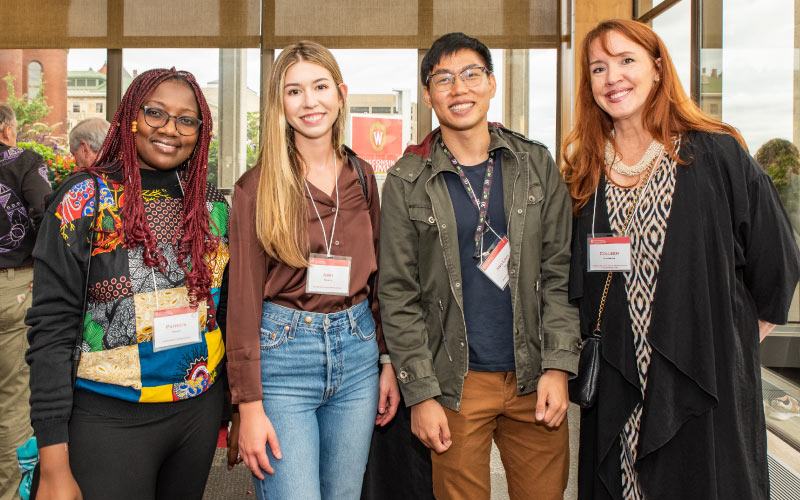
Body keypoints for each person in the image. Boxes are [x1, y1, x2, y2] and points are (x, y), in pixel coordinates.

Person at [561, 19, 800, 500]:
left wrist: (730, 341)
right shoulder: (585, 170)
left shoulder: (715, 152)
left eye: (626, 61)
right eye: (599, 68)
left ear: (656, 67)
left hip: (701, 377)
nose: (613, 78)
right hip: (619, 374)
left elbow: (776, 258)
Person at [378, 32, 579, 500]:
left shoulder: (535, 163)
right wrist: (422, 393)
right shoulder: (407, 182)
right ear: (428, 95)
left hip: (534, 377)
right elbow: (398, 293)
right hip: (455, 383)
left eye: (471, 74)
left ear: (491, 84)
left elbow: (557, 272)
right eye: (443, 79)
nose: (458, 88)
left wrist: (558, 366)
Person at [25, 68, 230, 500]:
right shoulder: (84, 199)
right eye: (155, 113)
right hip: (108, 416)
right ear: (130, 118)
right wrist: (54, 464)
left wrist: (232, 405)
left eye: (186, 119)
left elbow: (222, 311)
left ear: (201, 130)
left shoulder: (212, 206)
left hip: (197, 411)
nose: (170, 129)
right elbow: (51, 328)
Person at [226, 41, 400, 500]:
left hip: (359, 351)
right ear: (279, 104)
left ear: (340, 94)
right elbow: (241, 304)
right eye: (294, 91)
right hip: (283, 359)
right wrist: (248, 405)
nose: (310, 102)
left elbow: (379, 279)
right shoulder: (255, 188)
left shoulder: (362, 176)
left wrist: (386, 361)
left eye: (320, 87)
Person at [0, 104, 51, 500]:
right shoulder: (22, 161)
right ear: (6, 128)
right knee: (14, 402)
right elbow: (46, 212)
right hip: (12, 287)